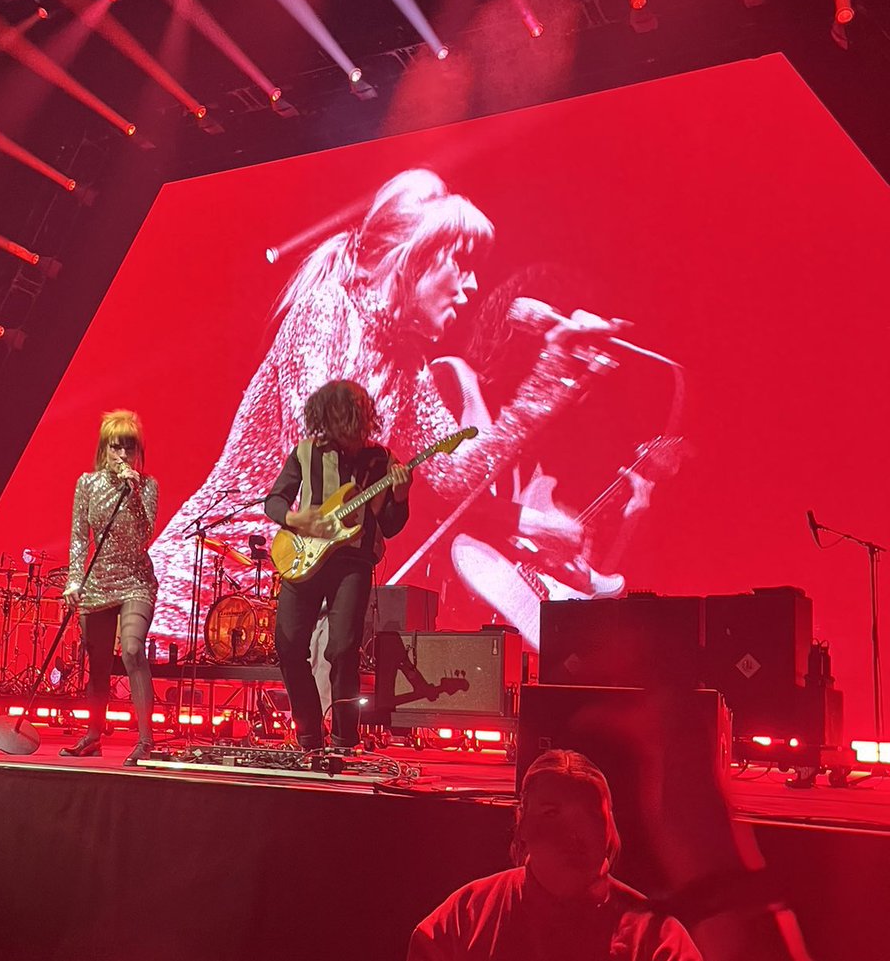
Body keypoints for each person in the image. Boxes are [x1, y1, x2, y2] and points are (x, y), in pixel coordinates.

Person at [147, 168, 620, 647]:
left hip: (283, 593)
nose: (472, 286)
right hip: (204, 580)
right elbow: (314, 454)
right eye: (462, 264)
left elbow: (456, 476)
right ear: (418, 257)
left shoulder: (407, 362)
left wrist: (551, 373)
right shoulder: (327, 309)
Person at [408, 749, 703, 961]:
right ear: (522, 823)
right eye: (552, 814)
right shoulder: (462, 920)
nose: (573, 835)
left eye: (590, 817)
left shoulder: (657, 940)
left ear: (610, 829)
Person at [264, 380, 413, 751]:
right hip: (303, 558)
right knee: (289, 646)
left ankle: (345, 738)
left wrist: (401, 494)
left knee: (343, 648)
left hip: (352, 562)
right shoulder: (304, 453)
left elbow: (390, 526)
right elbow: (274, 502)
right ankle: (309, 734)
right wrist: (299, 520)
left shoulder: (380, 460)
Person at [61, 410, 159, 765]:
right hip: (98, 581)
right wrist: (74, 580)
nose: (122, 455)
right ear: (104, 449)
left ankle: (146, 740)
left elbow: (144, 537)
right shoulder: (86, 484)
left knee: (132, 650)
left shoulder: (147, 486)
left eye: (129, 448)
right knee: (97, 663)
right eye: (116, 447)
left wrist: (133, 493)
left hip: (135, 579)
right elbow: (77, 537)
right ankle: (93, 735)